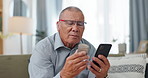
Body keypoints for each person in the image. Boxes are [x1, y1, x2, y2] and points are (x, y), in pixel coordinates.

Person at [28, 6, 110, 78]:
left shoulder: (90, 48)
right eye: (70, 23)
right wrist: (64, 75)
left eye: (80, 24)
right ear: (58, 25)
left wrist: (101, 76)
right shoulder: (43, 49)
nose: (75, 28)